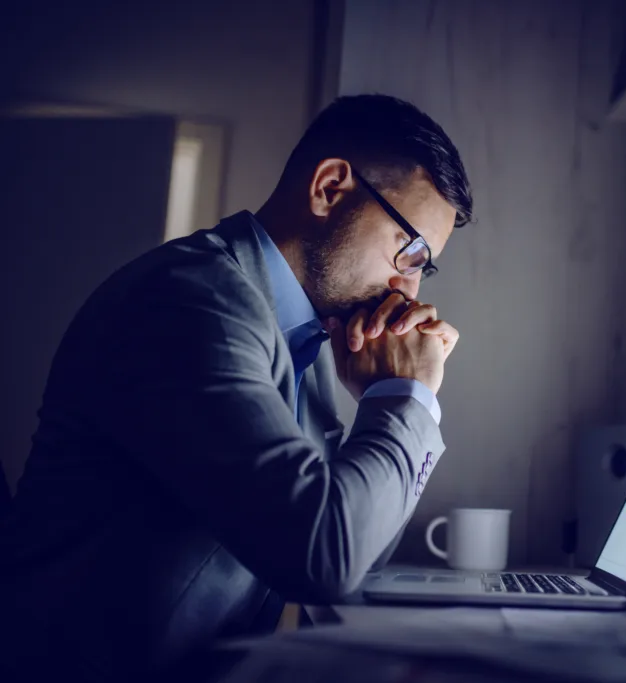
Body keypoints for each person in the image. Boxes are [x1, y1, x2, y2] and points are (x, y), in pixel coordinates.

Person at [0, 94, 473, 680]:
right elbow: (323, 560)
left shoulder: (307, 335)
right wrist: (407, 399)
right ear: (329, 188)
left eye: (424, 267)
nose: (410, 289)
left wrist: (389, 401)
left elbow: (357, 564)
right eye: (410, 251)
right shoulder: (192, 300)